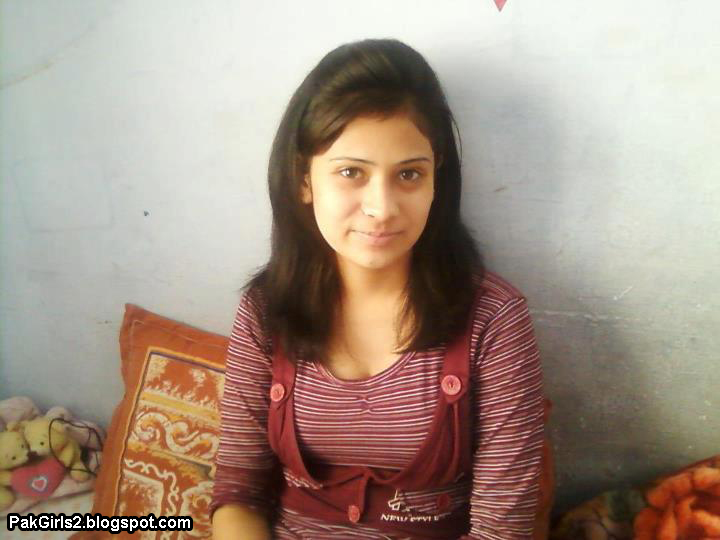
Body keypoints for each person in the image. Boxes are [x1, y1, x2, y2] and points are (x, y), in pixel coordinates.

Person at [210, 38, 546, 539]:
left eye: (409, 174)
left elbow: (502, 530)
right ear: (304, 180)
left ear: (436, 180)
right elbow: (239, 492)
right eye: (351, 172)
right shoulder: (265, 310)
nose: (382, 208)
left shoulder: (493, 318)